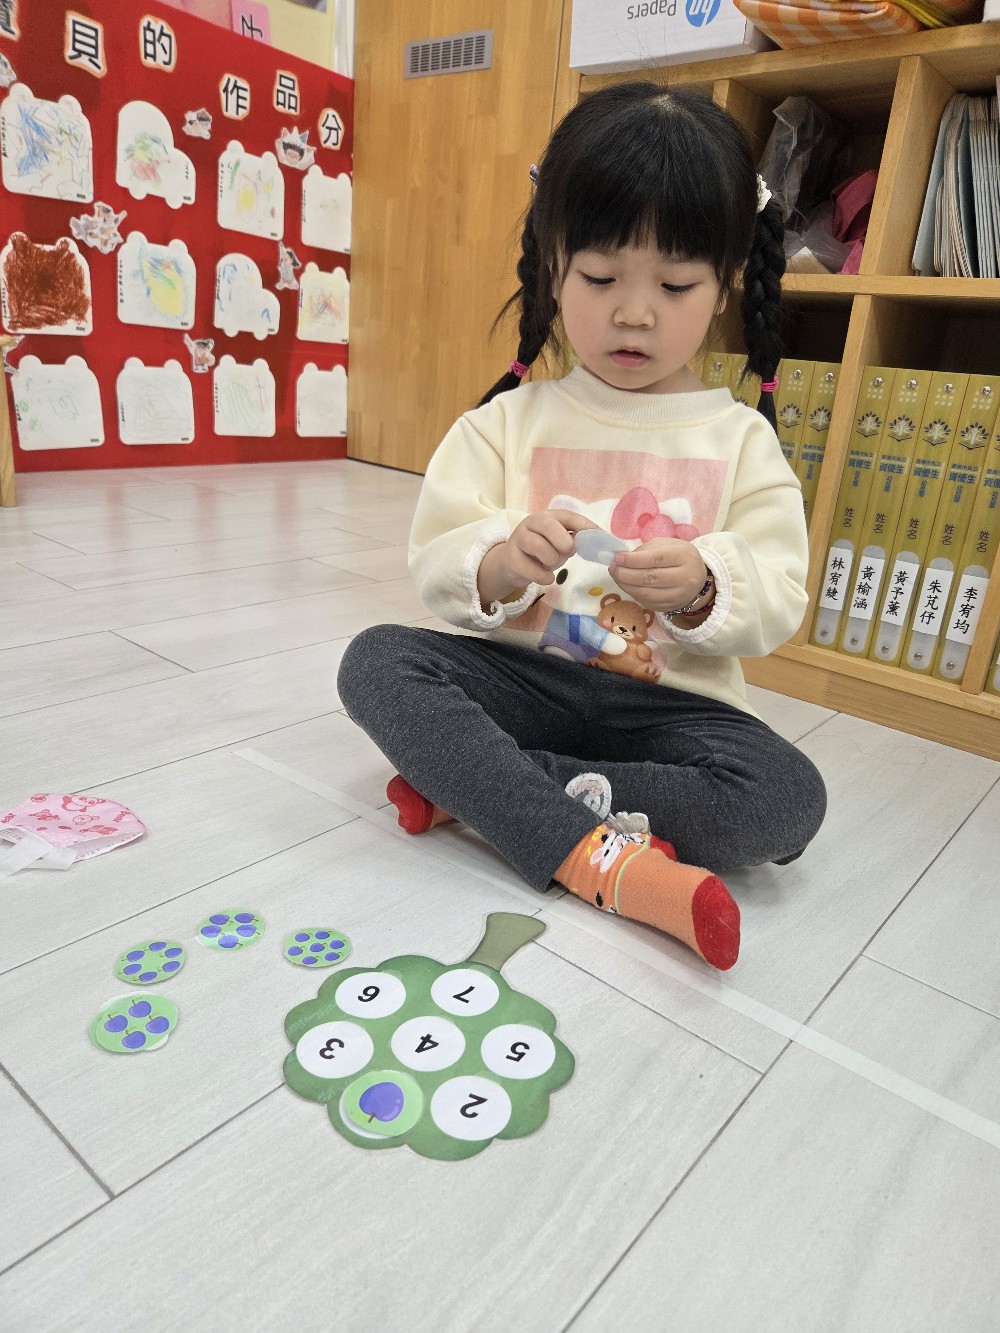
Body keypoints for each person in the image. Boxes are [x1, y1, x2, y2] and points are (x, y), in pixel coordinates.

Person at [338, 83, 827, 972]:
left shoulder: (741, 439)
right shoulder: (507, 421)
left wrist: (706, 584)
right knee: (375, 660)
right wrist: (501, 560)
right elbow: (438, 558)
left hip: (672, 709)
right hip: (527, 682)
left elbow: (779, 594)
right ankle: (591, 854)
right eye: (601, 278)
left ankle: (482, 786)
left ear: (726, 283)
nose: (634, 312)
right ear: (553, 266)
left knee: (789, 799)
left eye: (675, 285)